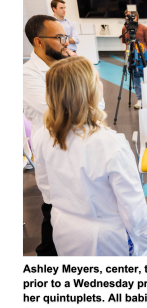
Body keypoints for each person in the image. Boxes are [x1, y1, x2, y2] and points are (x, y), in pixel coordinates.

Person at [32, 56, 147, 256]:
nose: (101, 84)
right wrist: (146, 241)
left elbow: (46, 189)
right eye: (97, 79)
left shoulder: (42, 135)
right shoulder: (111, 145)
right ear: (87, 91)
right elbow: (133, 209)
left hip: (64, 230)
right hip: (106, 241)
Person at [23, 15, 105, 256]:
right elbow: (64, 113)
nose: (66, 42)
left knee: (81, 212)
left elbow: (97, 104)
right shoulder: (29, 75)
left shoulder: (68, 64)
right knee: (55, 215)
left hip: (81, 149)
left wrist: (86, 71)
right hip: (55, 155)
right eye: (59, 38)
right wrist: (86, 102)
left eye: (65, 36)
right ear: (39, 42)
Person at [121, 10, 147, 109]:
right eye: (128, 17)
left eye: (132, 17)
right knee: (135, 79)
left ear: (137, 17)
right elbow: (125, 43)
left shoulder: (144, 29)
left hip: (142, 57)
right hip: (131, 57)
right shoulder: (124, 29)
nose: (130, 19)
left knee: (146, 77)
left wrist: (145, 53)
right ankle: (140, 99)